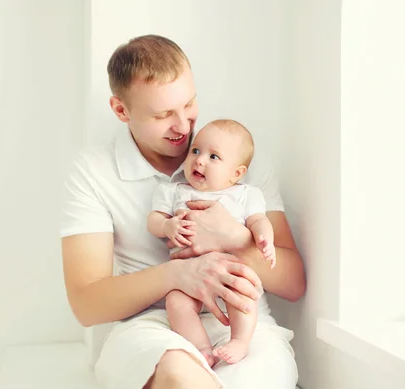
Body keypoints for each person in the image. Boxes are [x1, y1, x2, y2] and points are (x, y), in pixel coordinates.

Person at [60, 34, 306, 389]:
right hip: (153, 326)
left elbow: (294, 282)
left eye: (189, 104)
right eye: (163, 115)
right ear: (120, 110)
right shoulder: (93, 171)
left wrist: (235, 238)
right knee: (180, 377)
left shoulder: (236, 153)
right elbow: (87, 305)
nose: (184, 126)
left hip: (244, 321)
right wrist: (179, 275)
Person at [147, 119, 277, 367]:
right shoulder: (175, 191)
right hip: (187, 278)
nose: (200, 160)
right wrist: (166, 226)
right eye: (196, 150)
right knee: (175, 302)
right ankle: (202, 348)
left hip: (230, 272)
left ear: (236, 174)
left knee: (244, 296)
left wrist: (264, 239)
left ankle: (239, 341)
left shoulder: (245, 195)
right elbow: (154, 220)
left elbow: (259, 220)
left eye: (214, 157)